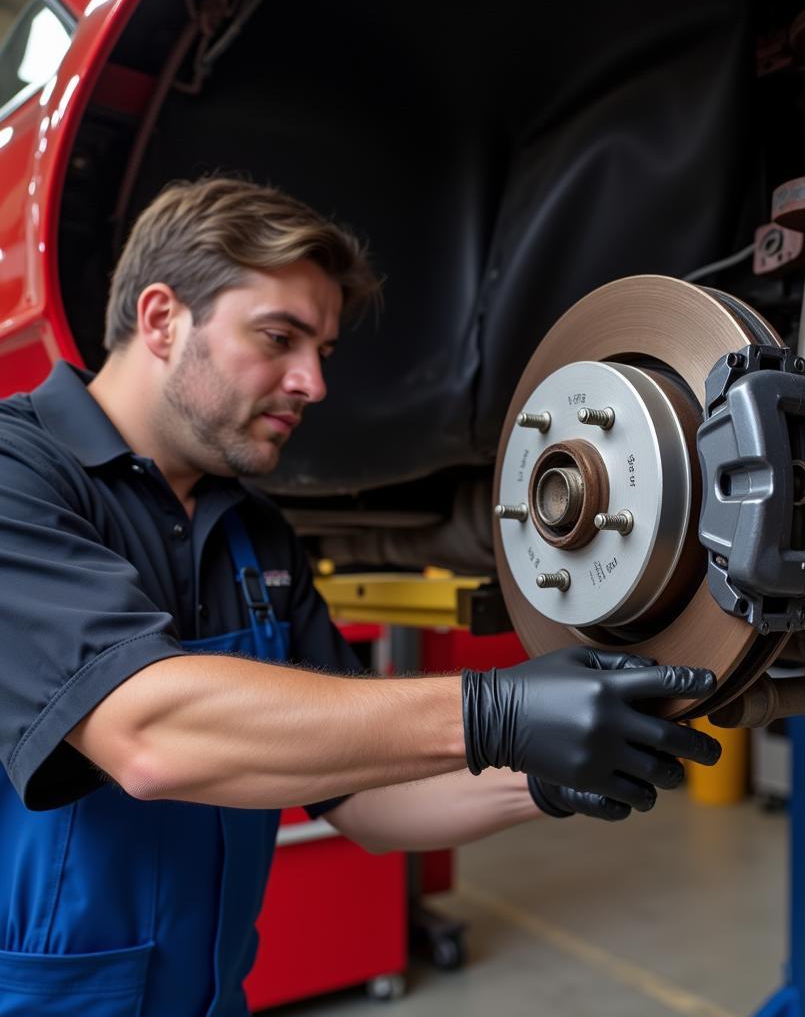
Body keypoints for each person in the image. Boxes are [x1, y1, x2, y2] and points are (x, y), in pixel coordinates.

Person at [0, 177, 721, 1016]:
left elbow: (365, 799)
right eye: (279, 338)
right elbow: (147, 736)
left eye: (323, 353)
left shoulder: (253, 530)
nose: (312, 383)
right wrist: (495, 711)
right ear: (162, 319)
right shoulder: (20, 475)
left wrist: (548, 780)